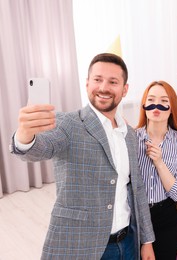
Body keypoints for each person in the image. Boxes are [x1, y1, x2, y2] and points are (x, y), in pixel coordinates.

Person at [10, 53, 155, 260]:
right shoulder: (68, 124)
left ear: (125, 90)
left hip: (128, 243)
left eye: (113, 82)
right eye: (97, 80)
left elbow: (137, 189)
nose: (104, 87)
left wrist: (146, 241)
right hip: (82, 247)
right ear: (87, 84)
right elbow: (40, 147)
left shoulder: (130, 135)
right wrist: (25, 136)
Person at [135, 81, 177, 259]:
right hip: (135, 217)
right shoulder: (131, 139)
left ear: (171, 107)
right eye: (151, 99)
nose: (156, 105)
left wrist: (159, 162)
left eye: (163, 100)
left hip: (166, 217)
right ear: (144, 105)